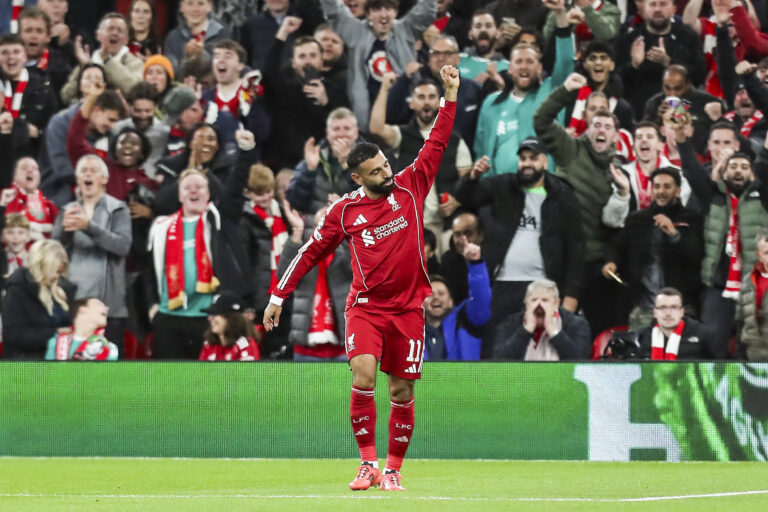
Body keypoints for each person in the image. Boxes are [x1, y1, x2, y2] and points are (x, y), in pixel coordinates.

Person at [264, 65, 459, 491]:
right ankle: (367, 464)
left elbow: (438, 141)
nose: (387, 174)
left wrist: (450, 95)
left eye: (386, 165)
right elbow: (310, 251)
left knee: (403, 392)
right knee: (363, 377)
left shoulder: (410, 185)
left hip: (408, 309)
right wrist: (278, 295)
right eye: (376, 172)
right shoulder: (343, 212)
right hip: (366, 309)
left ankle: (393, 469)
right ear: (357, 178)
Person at [455, 136, 584, 352]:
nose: (526, 164)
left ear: (545, 162)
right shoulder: (503, 185)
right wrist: (473, 177)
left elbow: (576, 249)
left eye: (533, 158)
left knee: (539, 350)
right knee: (496, 350)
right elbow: (466, 197)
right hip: (502, 284)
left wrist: (571, 297)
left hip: (542, 287)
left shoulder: (563, 195)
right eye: (523, 158)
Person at [147, 129, 258, 359]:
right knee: (169, 387)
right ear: (179, 195)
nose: (194, 190)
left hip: (208, 317)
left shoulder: (220, 219)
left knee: (205, 387)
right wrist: (151, 305)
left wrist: (246, 152)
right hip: (169, 316)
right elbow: (149, 269)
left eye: (200, 186)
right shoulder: (161, 227)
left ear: (209, 193)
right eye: (188, 187)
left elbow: (236, 188)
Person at [534, 72, 626, 335]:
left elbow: (617, 226)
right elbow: (541, 121)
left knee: (602, 328)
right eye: (596, 124)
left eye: (608, 127)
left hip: (597, 264)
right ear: (587, 125)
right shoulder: (571, 149)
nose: (601, 130)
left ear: (615, 137)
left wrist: (611, 257)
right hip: (562, 259)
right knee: (557, 327)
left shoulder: (618, 171)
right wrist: (564, 90)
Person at [670, 115, 768, 357]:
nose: (738, 171)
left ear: (752, 174)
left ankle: (754, 394)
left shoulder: (763, 197)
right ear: (725, 174)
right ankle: (716, 393)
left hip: (756, 284)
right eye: (733, 166)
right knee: (713, 345)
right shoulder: (713, 197)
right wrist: (682, 141)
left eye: (744, 167)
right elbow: (692, 171)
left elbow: (765, 162)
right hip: (718, 285)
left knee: (754, 348)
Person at [473, 2, 574, 177]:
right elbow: (481, 150)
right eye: (519, 62)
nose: (524, 67)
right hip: (500, 191)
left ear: (539, 68)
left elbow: (565, 62)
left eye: (530, 62)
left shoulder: (551, 93)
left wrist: (560, 14)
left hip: (541, 187)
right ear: (510, 68)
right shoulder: (492, 103)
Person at [369, 73, 471, 245]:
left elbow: (467, 181)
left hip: (446, 226)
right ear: (411, 103)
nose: (426, 102)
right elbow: (376, 129)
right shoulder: (402, 135)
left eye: (432, 97)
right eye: (421, 97)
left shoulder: (454, 140)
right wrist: (385, 88)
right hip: (410, 224)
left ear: (439, 102)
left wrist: (457, 199)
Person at [601, 168, 704, 331]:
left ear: (677, 191)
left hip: (681, 307)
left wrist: (674, 233)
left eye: (667, 186)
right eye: (656, 187)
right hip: (644, 307)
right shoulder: (637, 219)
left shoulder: (691, 219)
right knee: (640, 354)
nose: (660, 191)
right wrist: (611, 262)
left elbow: (696, 256)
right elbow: (616, 245)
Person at [53, 154, 132, 355]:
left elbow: (122, 246)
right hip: (75, 302)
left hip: (108, 305)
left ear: (104, 179)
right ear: (78, 180)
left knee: (108, 372)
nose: (88, 174)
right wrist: (64, 232)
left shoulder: (118, 209)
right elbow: (55, 253)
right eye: (83, 171)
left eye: (93, 170)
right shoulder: (67, 210)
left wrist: (89, 227)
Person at [318, 0, 437, 130]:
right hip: (367, 121)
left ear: (396, 12)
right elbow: (335, 12)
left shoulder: (405, 30)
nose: (383, 14)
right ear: (368, 14)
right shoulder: (356, 33)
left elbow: (426, 10)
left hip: (405, 120)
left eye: (388, 9)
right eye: (377, 9)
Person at [262, 20, 350, 169]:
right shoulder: (285, 89)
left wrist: (326, 102)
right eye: (302, 56)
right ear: (294, 63)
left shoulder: (335, 90)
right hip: (288, 165)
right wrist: (282, 34)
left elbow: (344, 125)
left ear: (322, 61)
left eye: (312, 56)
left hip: (326, 164)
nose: (307, 61)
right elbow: (268, 73)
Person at [277, 205, 350, 361]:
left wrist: (346, 236)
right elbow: (283, 277)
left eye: (330, 224)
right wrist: (297, 232)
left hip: (342, 347)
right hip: (306, 348)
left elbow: (360, 272)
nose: (323, 230)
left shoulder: (347, 250)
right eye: (319, 225)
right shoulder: (304, 252)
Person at [386, 34, 482, 148]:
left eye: (447, 53)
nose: (440, 58)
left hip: (462, 157)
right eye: (435, 53)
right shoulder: (418, 90)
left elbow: (483, 130)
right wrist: (404, 79)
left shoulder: (474, 89)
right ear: (429, 58)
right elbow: (390, 115)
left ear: (458, 58)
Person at [67, 84, 158, 203]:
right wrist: (91, 99)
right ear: (115, 148)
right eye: (123, 142)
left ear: (142, 153)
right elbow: (75, 143)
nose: (128, 146)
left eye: (134, 144)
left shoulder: (150, 183)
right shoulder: (102, 168)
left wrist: (150, 213)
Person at [615, 0, 706, 117]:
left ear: (673, 10)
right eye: (652, 4)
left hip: (682, 112)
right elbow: (617, 82)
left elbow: (699, 76)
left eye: (663, 4)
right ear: (643, 10)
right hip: (641, 116)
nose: (657, 9)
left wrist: (668, 62)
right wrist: (634, 65)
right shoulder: (627, 40)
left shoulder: (689, 37)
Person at [601, 121, 691, 229]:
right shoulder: (621, 175)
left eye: (650, 136)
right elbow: (610, 221)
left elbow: (677, 215)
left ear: (660, 146)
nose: (644, 140)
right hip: (629, 239)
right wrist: (622, 194)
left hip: (663, 239)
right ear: (633, 147)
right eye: (639, 137)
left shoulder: (679, 176)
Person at [1, 239, 75, 359]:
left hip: (59, 358)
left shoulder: (65, 289)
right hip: (26, 362)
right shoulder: (17, 290)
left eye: (60, 272)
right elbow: (14, 336)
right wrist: (55, 333)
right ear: (40, 266)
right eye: (53, 271)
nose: (56, 276)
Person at [423, 237, 490, 361]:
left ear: (450, 302)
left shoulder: (466, 320)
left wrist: (476, 265)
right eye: (430, 294)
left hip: (463, 380)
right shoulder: (410, 331)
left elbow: (481, 301)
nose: (436, 297)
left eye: (441, 293)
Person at [492, 278, 591, 360]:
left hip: (560, 381)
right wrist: (525, 331)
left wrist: (554, 333)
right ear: (526, 304)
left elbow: (580, 362)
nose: (539, 305)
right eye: (534, 300)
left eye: (545, 300)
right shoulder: (511, 324)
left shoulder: (576, 324)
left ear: (556, 304)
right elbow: (499, 362)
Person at [286, 107, 362, 214]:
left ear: (356, 133)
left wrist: (347, 166)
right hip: (317, 224)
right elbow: (296, 203)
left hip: (357, 224)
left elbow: (373, 199)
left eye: (347, 128)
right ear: (327, 133)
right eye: (336, 129)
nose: (341, 134)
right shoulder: (314, 156)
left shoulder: (370, 158)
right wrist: (309, 171)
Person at [60, 13, 145, 104]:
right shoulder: (89, 60)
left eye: (120, 30)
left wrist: (107, 60)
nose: (115, 33)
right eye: (110, 29)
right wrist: (85, 67)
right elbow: (66, 96)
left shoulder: (135, 63)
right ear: (98, 35)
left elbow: (135, 91)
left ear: (126, 39)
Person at [0, 33, 60, 157]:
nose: (11, 57)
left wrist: (37, 132)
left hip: (32, 158)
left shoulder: (43, 87)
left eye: (16, 52)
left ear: (25, 57)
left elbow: (56, 130)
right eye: (5, 52)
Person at [111, 81, 168, 179]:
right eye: (138, 111)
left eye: (147, 111)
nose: (143, 116)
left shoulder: (164, 132)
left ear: (155, 108)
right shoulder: (117, 129)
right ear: (130, 108)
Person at [636, 287, 709, 359]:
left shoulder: (703, 334)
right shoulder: (642, 337)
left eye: (674, 307)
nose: (668, 313)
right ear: (655, 312)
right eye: (662, 307)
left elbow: (719, 367)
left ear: (682, 312)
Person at [0, 157, 59, 243]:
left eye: (35, 169)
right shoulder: (3, 197)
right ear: (14, 175)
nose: (30, 171)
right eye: (24, 168)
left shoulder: (50, 206)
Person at [164, 0, 230, 76]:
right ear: (181, 7)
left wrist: (202, 55)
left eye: (201, 3)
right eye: (190, 3)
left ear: (210, 6)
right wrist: (187, 57)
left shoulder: (221, 33)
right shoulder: (173, 37)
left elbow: (225, 69)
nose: (195, 9)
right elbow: (170, 72)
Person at [18, 6, 72, 93]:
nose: (34, 36)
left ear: (48, 36)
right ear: (19, 35)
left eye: (39, 31)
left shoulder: (61, 69)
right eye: (28, 30)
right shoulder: (6, 64)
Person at [44, 297, 118, 360]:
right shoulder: (56, 342)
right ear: (82, 309)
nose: (107, 308)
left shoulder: (109, 348)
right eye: (99, 304)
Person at [199, 292, 261, 361]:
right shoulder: (209, 343)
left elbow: (248, 371)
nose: (210, 319)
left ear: (230, 318)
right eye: (210, 315)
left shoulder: (244, 346)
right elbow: (201, 371)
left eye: (215, 315)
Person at [737, 228, 768, 360]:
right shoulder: (748, 280)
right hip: (754, 356)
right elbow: (739, 319)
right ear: (758, 255)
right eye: (767, 253)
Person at [1, 213, 30, 281]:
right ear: (2, 237)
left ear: (28, 237)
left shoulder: (33, 260)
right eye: (10, 232)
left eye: (21, 232)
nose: (16, 237)